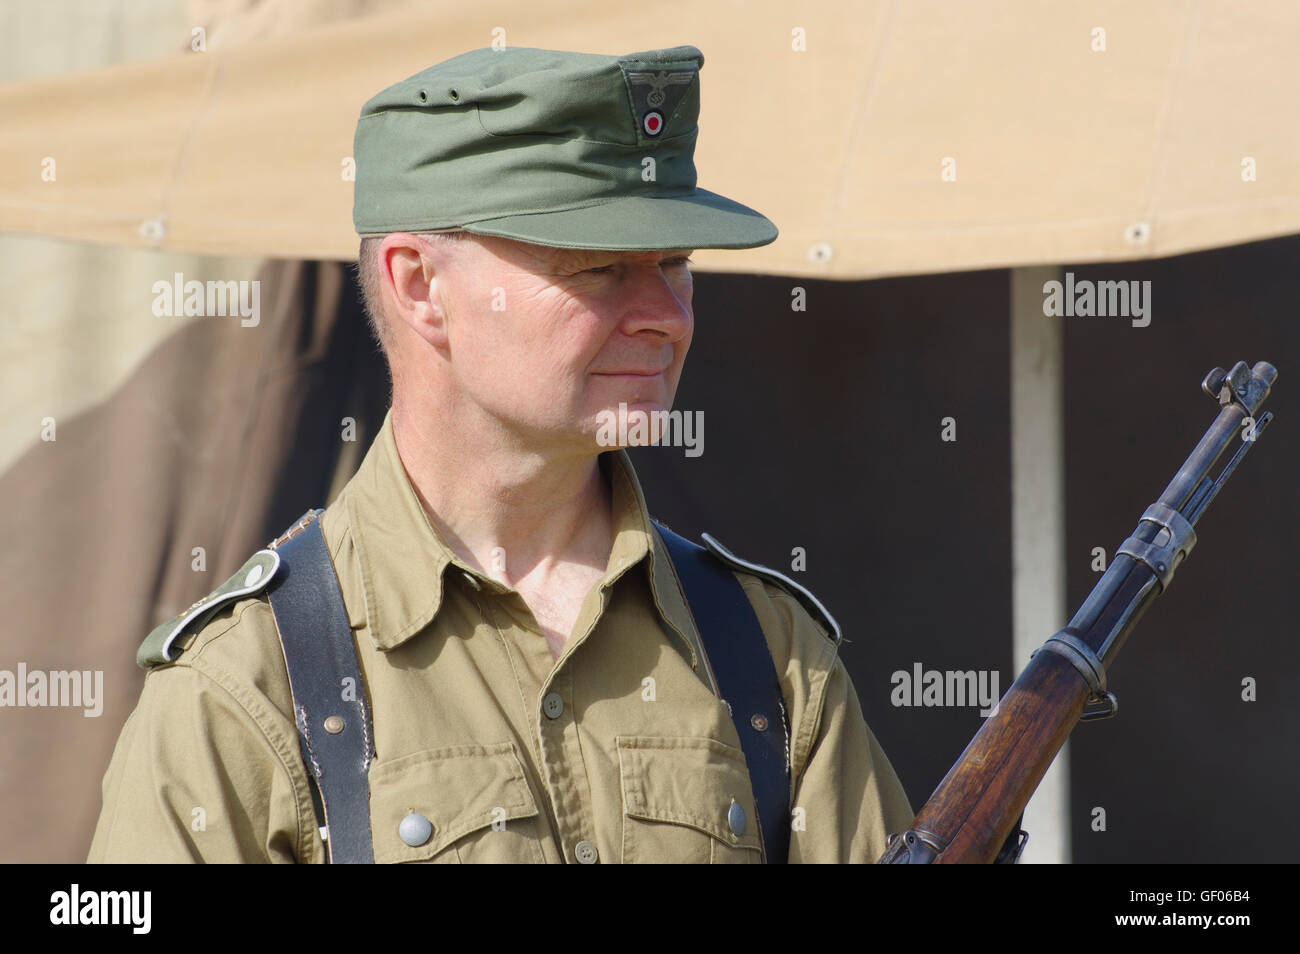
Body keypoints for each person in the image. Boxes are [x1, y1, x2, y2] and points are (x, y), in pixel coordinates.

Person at [88, 43, 912, 864]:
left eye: (676, 263)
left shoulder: (764, 651)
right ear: (420, 286)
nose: (665, 312)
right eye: (596, 269)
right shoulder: (248, 689)